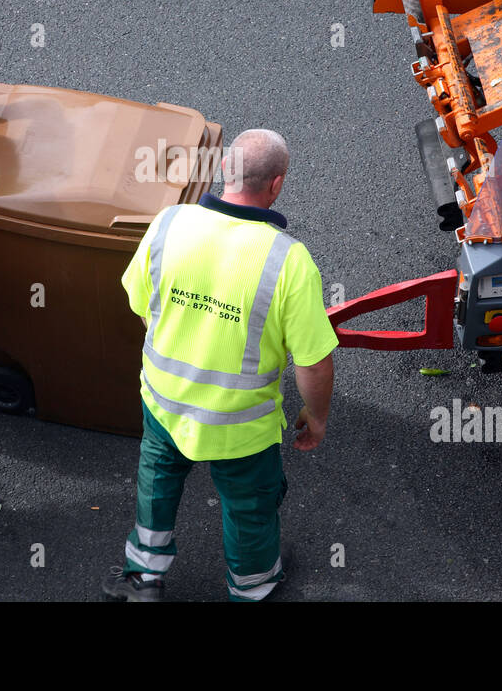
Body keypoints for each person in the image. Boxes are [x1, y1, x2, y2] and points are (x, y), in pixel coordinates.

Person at [103, 129, 338, 602]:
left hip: (164, 402)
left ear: (223, 172)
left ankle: (143, 580)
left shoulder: (169, 223)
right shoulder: (288, 261)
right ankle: (252, 588)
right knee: (250, 507)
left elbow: (138, 301)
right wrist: (316, 418)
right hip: (240, 425)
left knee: (158, 480)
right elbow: (313, 364)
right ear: (275, 184)